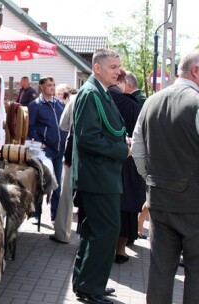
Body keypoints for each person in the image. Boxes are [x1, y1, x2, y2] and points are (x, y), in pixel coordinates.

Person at [132, 48, 199, 304]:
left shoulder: (150, 102)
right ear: (196, 70)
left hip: (160, 201)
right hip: (198, 207)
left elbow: (138, 151)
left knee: (160, 271)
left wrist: (152, 180)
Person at [71, 49, 130, 304]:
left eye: (119, 67)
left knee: (95, 230)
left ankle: (86, 283)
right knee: (105, 230)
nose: (118, 71)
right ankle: (90, 287)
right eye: (113, 67)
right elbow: (87, 138)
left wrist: (121, 140)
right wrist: (121, 149)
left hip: (101, 176)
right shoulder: (91, 93)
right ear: (97, 68)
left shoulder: (98, 92)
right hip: (98, 177)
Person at [108, 69, 146, 264]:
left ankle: (105, 248)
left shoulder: (104, 99)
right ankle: (121, 249)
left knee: (109, 207)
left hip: (107, 163)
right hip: (130, 162)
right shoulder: (134, 105)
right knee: (127, 208)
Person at [27, 76, 67, 222]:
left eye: (53, 85)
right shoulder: (35, 105)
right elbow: (30, 127)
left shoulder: (59, 104)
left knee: (57, 185)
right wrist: (39, 142)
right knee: (41, 182)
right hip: (45, 150)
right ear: (41, 87)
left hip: (59, 149)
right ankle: (36, 215)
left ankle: (55, 216)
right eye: (49, 85)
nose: (52, 87)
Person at [124, 71, 151, 240]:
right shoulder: (142, 100)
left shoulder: (137, 102)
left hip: (136, 154)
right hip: (140, 153)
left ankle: (135, 230)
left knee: (138, 195)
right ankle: (136, 228)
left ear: (128, 85)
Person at [49, 91, 76, 244]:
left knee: (67, 193)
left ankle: (62, 233)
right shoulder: (109, 98)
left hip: (75, 152)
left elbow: (63, 124)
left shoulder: (75, 99)